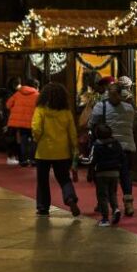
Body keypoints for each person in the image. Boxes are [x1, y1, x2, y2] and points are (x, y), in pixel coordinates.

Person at [32, 82, 81, 217]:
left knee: (42, 180)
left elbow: (36, 128)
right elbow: (72, 132)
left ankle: (43, 207)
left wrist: (36, 139)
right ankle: (70, 198)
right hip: (62, 152)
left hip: (44, 151)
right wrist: (74, 147)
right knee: (64, 178)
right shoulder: (66, 112)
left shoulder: (40, 110)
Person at [88, 84, 137, 216]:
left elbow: (92, 124)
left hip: (107, 147)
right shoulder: (129, 108)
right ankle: (128, 203)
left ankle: (102, 202)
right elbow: (133, 125)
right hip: (126, 146)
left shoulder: (100, 106)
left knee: (104, 175)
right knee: (125, 175)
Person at [90, 123, 124, 227]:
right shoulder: (116, 143)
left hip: (101, 173)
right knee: (112, 193)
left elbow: (93, 160)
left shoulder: (97, 145)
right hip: (115, 173)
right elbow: (122, 157)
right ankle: (115, 209)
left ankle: (105, 218)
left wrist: (91, 172)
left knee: (102, 196)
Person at [6, 78, 39, 167]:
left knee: (23, 140)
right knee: (34, 141)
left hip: (20, 123)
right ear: (36, 86)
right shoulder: (37, 95)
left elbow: (8, 105)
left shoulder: (18, 93)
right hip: (33, 122)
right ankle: (33, 160)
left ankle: (24, 160)